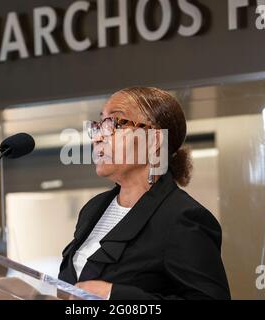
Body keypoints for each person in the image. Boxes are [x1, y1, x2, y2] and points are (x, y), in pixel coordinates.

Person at [58, 87, 230, 300]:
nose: (98, 137)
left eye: (115, 123)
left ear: (154, 141)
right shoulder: (93, 209)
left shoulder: (182, 217)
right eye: (99, 124)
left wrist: (115, 296)